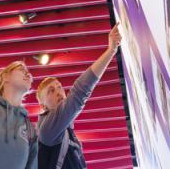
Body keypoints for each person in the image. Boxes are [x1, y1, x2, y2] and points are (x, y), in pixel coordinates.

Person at [36, 23, 122, 169]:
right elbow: (79, 91)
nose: (59, 92)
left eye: (59, 87)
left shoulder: (67, 134)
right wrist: (111, 50)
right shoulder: (47, 130)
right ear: (43, 106)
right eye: (51, 91)